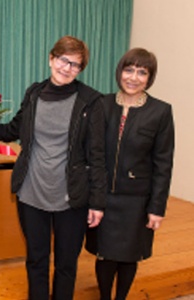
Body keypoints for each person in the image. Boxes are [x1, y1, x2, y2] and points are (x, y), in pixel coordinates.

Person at [0, 35, 106, 300]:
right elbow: (16, 127)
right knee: (36, 259)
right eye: (63, 60)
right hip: (31, 193)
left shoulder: (91, 102)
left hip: (72, 197)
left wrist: (98, 202)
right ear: (51, 59)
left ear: (80, 70)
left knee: (66, 265)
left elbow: (97, 155)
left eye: (75, 65)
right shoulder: (34, 93)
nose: (67, 68)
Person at [85, 48, 175, 300]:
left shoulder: (160, 112)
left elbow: (163, 164)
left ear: (150, 77)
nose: (133, 77)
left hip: (137, 200)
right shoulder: (102, 104)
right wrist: (95, 199)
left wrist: (157, 207)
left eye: (142, 72)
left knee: (128, 255)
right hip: (104, 198)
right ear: (120, 72)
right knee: (105, 254)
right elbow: (95, 155)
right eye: (129, 69)